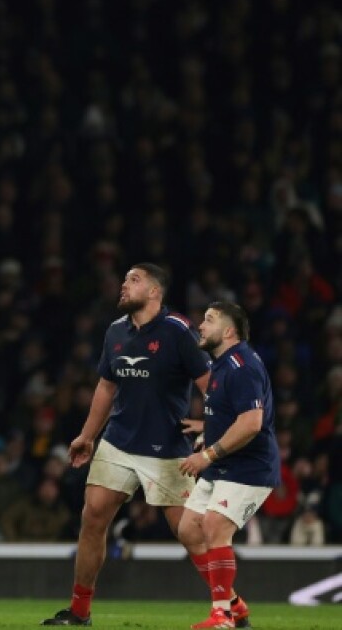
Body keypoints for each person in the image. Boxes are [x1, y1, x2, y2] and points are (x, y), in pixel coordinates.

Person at [42, 264, 214, 626]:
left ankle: (232, 608)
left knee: (191, 535)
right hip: (118, 442)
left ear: (154, 292)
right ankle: (79, 611)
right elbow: (107, 386)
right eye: (124, 279)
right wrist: (87, 436)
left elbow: (211, 384)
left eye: (133, 280)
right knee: (93, 518)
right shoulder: (116, 331)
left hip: (167, 449)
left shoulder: (179, 332)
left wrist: (209, 426)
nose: (124, 285)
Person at [177, 302, 278, 630]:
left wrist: (206, 455)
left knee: (216, 526)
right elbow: (232, 415)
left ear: (230, 331)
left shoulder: (242, 365)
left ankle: (222, 616)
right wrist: (207, 428)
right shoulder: (219, 365)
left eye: (209, 320)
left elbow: (251, 423)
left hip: (249, 467)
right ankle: (234, 604)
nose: (200, 326)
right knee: (189, 530)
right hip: (225, 464)